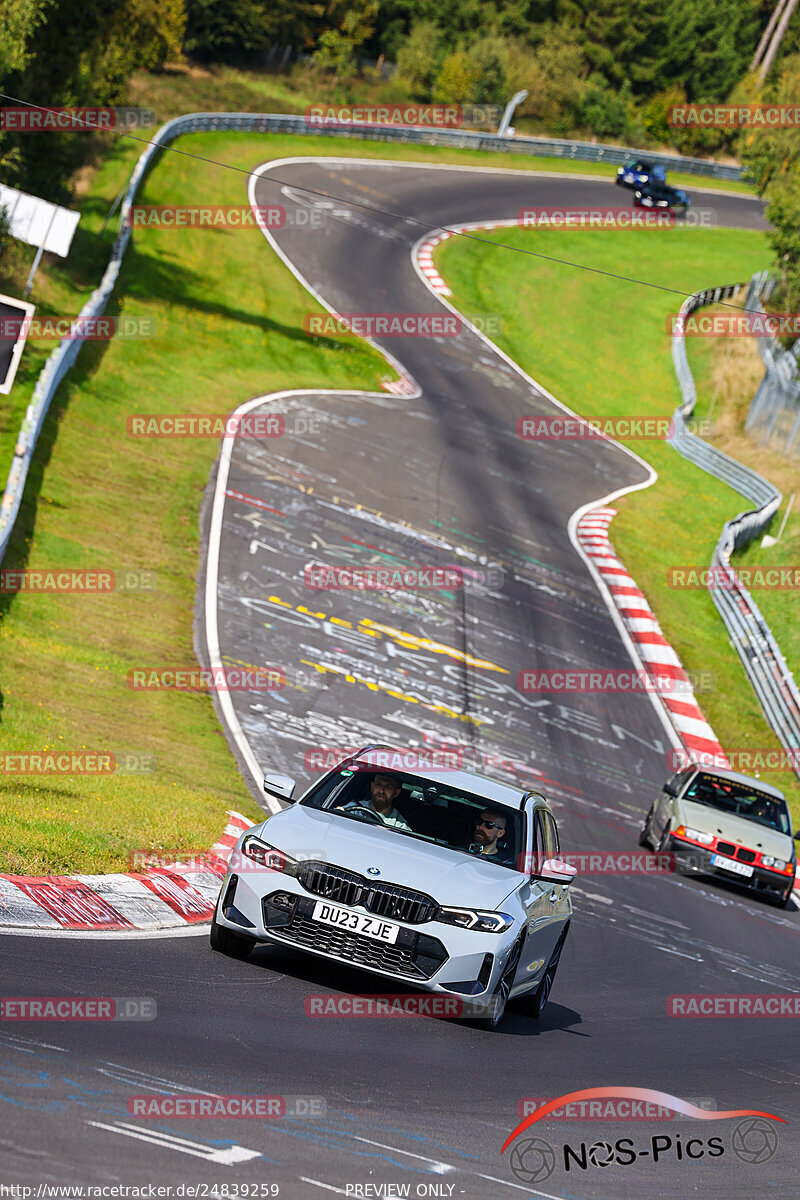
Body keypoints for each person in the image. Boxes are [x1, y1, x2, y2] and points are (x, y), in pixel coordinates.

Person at [341, 772, 411, 831]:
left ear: (396, 793)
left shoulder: (399, 826)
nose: (381, 791)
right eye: (378, 784)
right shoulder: (354, 808)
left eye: (388, 787)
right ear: (372, 786)